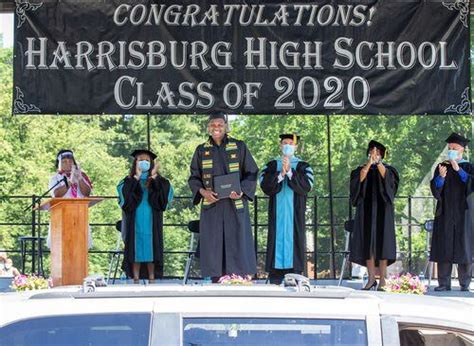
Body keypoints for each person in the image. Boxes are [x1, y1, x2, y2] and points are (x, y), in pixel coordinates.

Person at [188, 113, 259, 282]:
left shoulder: (239, 146)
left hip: (235, 205)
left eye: (220, 124)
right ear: (208, 128)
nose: (216, 128)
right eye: (212, 125)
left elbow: (252, 172)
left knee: (237, 243)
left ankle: (238, 281)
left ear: (226, 127)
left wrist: (241, 190)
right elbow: (193, 177)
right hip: (213, 206)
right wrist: (203, 192)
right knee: (214, 245)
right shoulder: (201, 150)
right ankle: (216, 281)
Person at [260, 133, 314, 284]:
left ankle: (295, 274)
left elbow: (306, 187)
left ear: (296, 146)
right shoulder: (271, 165)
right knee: (276, 240)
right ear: (280, 145)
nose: (288, 145)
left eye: (291, 143)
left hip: (294, 216)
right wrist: (281, 173)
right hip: (277, 216)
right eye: (285, 142)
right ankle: (275, 276)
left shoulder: (304, 166)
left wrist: (290, 171)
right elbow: (265, 187)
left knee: (294, 241)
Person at [117, 149, 173, 284]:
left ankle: (152, 277)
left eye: (147, 161)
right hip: (134, 220)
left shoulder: (159, 180)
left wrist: (154, 177)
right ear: (135, 163)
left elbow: (166, 196)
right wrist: (136, 178)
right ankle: (135, 277)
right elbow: (124, 198)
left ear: (152, 163)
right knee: (135, 248)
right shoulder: (128, 181)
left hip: (152, 220)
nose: (144, 163)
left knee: (151, 247)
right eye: (140, 160)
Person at [349, 140, 399, 290]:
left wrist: (378, 164)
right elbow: (358, 182)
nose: (374, 154)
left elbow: (390, 183)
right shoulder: (360, 169)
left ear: (382, 155)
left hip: (383, 212)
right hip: (366, 211)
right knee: (367, 245)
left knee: (383, 245)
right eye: (372, 151)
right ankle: (371, 279)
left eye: (377, 152)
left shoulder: (389, 169)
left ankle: (383, 280)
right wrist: (369, 164)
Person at [430, 133, 473, 292]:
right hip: (446, 212)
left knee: (464, 246)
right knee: (444, 246)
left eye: (455, 148)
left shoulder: (469, 167)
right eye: (450, 148)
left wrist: (458, 169)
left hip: (464, 213)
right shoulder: (442, 166)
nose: (452, 151)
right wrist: (440, 177)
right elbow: (436, 189)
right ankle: (443, 283)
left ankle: (465, 284)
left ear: (462, 149)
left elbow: (471, 184)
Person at [47, 149, 93, 248]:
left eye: (70, 161)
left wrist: (79, 178)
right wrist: (70, 182)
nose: (68, 163)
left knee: (79, 246)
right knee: (62, 246)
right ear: (59, 164)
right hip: (61, 216)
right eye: (64, 161)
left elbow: (87, 193)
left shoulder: (82, 176)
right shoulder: (55, 178)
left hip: (79, 214)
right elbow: (56, 194)